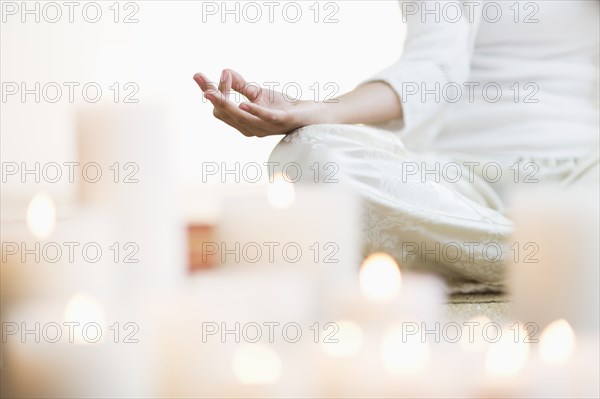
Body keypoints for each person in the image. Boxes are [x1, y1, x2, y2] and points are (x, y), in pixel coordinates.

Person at [193, 1, 599, 292]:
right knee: (309, 154)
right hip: (456, 181)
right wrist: (316, 110)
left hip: (585, 173)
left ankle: (512, 255)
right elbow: (431, 66)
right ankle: (561, 255)